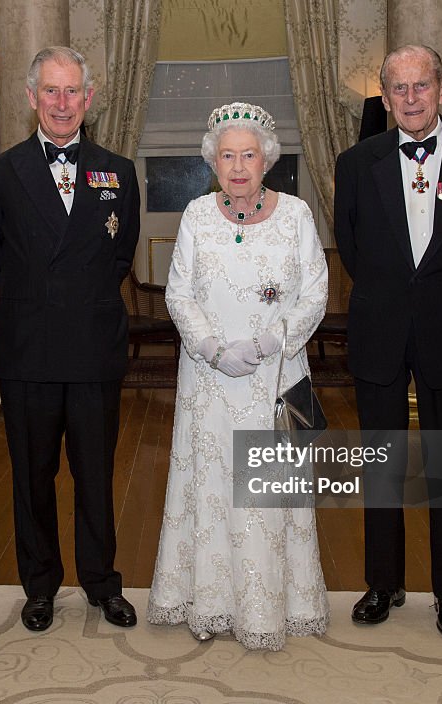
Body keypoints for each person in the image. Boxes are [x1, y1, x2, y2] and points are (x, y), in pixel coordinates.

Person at [334, 45, 442, 638]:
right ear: (385, 97)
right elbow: (353, 250)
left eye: (421, 86)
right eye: (398, 89)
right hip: (379, 330)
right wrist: (397, 297)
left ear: (441, 87)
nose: (410, 99)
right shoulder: (356, 163)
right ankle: (383, 584)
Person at [147, 102, 330, 650]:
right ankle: (210, 603)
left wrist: (274, 339)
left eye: (248, 154)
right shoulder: (197, 216)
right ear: (214, 161)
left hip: (276, 379)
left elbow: (317, 290)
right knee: (211, 488)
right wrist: (209, 347)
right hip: (209, 382)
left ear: (266, 159)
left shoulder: (296, 215)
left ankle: (272, 607)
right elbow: (178, 291)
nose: (238, 166)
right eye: (227, 155)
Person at [0, 46, 140, 632]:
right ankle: (39, 586)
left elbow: (120, 256)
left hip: (94, 348)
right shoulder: (1, 172)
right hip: (29, 351)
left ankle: (101, 583)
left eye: (73, 91)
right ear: (31, 97)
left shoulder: (117, 171)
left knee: (96, 476)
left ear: (88, 98)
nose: (63, 102)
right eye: (51, 91)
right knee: (32, 478)